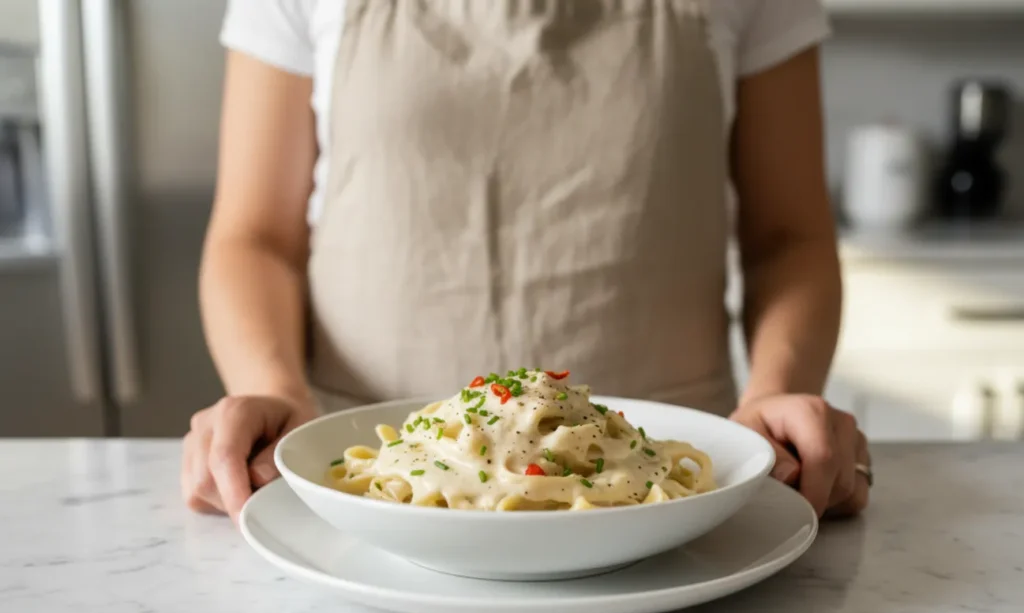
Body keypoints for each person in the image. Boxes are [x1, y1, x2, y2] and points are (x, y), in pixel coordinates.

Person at [182, 0, 872, 523]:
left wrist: (774, 394)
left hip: (668, 489)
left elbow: (789, 237)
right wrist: (274, 392)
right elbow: (257, 235)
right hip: (367, 488)